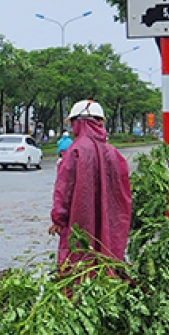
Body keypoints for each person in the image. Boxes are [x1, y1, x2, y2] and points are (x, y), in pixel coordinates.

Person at [48, 100, 132, 270]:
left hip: (79, 220)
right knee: (106, 258)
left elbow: (64, 189)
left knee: (78, 261)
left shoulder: (75, 151)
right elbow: (123, 194)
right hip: (110, 221)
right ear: (100, 122)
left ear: (77, 123)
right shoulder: (113, 153)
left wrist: (58, 218)